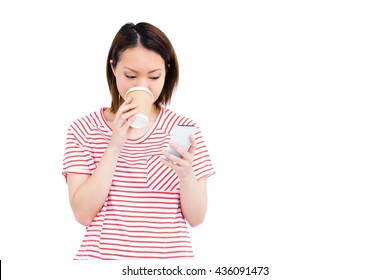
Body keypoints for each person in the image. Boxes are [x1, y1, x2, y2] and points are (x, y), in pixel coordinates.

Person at [62, 22, 215, 259]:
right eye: (130, 76)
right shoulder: (83, 130)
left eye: (154, 76)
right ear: (113, 68)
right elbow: (82, 214)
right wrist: (114, 145)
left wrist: (186, 175)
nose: (142, 86)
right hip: (101, 264)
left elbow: (197, 218)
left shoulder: (184, 130)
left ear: (167, 71)